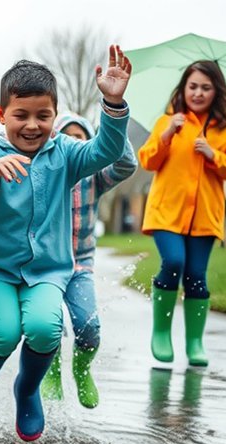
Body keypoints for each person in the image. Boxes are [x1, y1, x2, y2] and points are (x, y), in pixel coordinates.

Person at [0, 46, 132, 444]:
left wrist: (113, 104)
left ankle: (27, 390)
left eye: (42, 116)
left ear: (55, 114)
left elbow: (107, 151)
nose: (32, 125)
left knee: (46, 329)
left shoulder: (64, 153)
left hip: (48, 270)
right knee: (4, 332)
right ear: (2, 115)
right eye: (21, 115)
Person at [140, 60, 226, 368]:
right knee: (173, 262)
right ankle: (161, 333)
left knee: (196, 277)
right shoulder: (168, 122)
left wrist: (215, 156)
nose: (198, 93)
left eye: (206, 87)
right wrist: (166, 136)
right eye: (193, 86)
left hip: (204, 217)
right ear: (183, 88)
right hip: (166, 212)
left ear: (217, 92)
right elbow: (148, 160)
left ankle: (195, 342)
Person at [40, 111, 137, 408]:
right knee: (48, 323)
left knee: (88, 326)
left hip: (79, 265)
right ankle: (51, 371)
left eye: (79, 137)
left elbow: (126, 164)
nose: (72, 143)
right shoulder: (45, 174)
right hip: (43, 267)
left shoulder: (95, 177)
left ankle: (82, 369)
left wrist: (109, 127)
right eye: (64, 136)